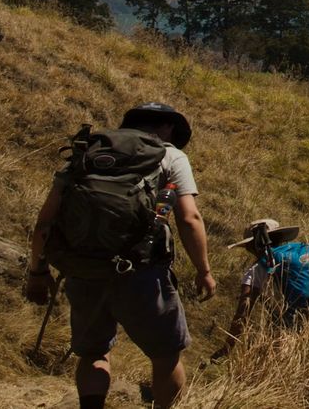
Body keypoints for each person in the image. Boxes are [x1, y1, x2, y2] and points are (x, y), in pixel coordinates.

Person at [24, 102, 216, 409]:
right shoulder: (170, 154)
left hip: (83, 268)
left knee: (94, 353)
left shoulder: (88, 153)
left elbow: (44, 222)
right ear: (167, 127)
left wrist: (37, 271)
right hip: (142, 271)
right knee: (165, 357)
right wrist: (203, 270)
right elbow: (190, 218)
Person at [215, 219, 309, 358]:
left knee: (279, 358)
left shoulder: (259, 267)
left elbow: (243, 313)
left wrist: (227, 348)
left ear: (254, 246)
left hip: (289, 330)